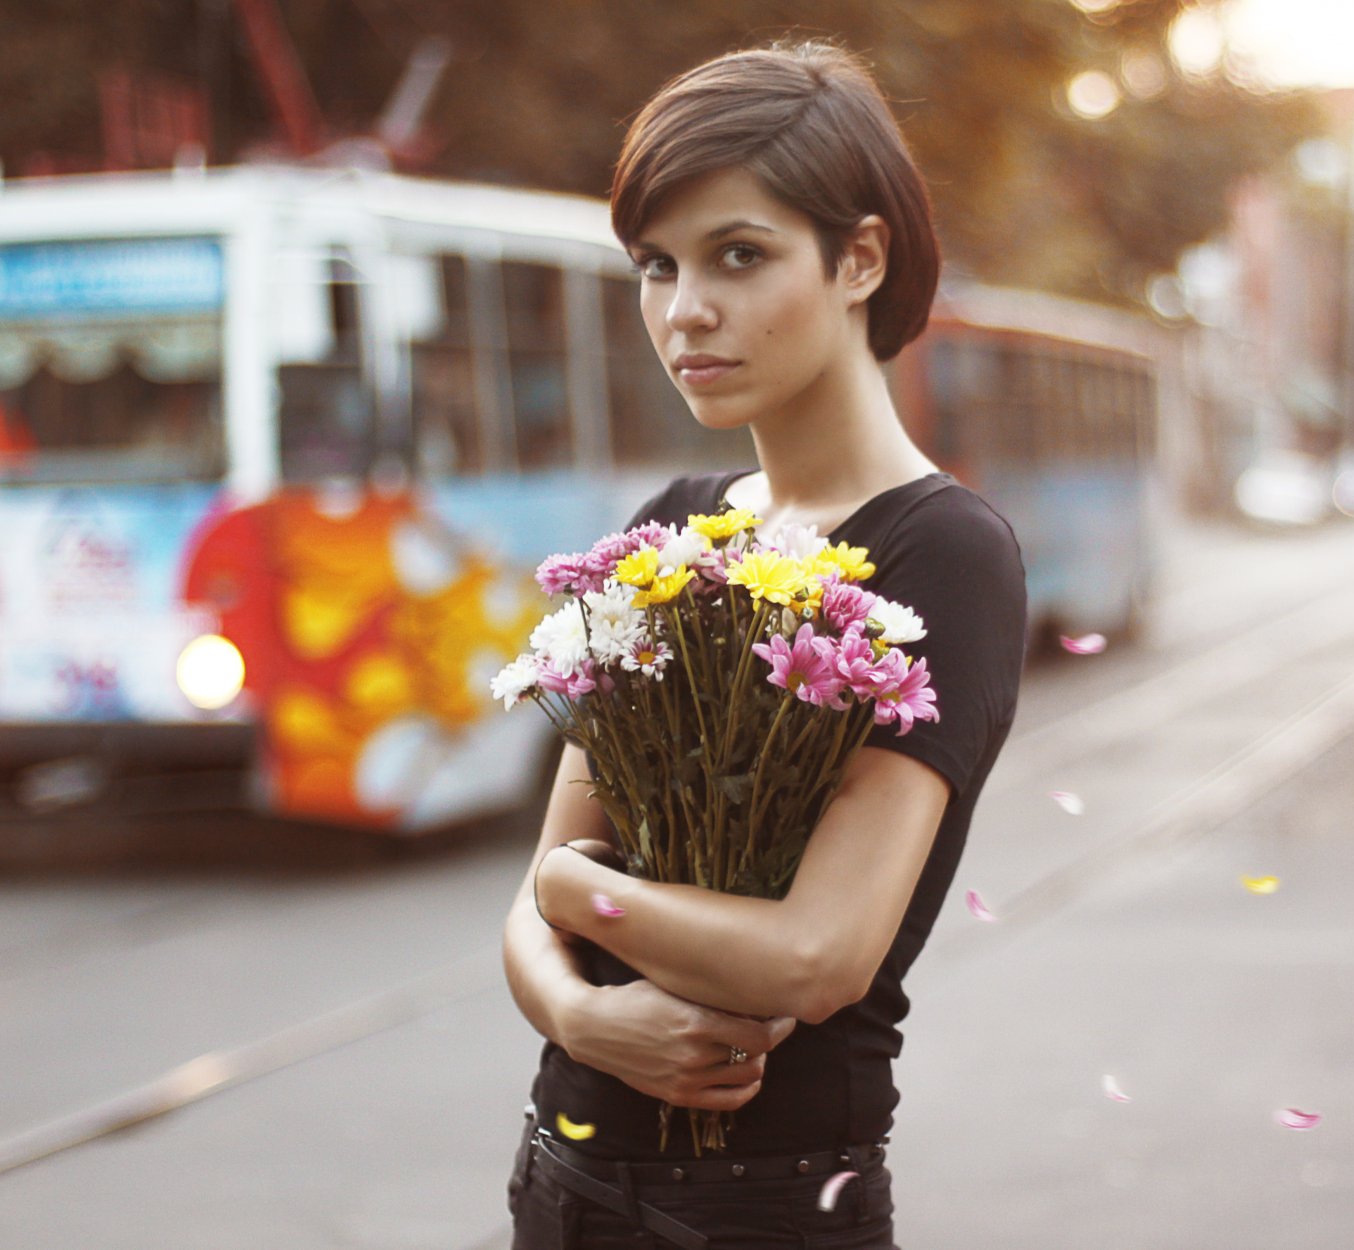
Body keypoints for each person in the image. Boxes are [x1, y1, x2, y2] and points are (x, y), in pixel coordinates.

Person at [501, 40, 1028, 1249]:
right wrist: (584, 1021)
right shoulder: (670, 530)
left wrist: (578, 892)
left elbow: (817, 954)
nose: (685, 308)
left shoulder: (940, 552)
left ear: (860, 259)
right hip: (559, 1188)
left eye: (738, 254)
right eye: (657, 264)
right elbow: (530, 914)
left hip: (764, 1207)